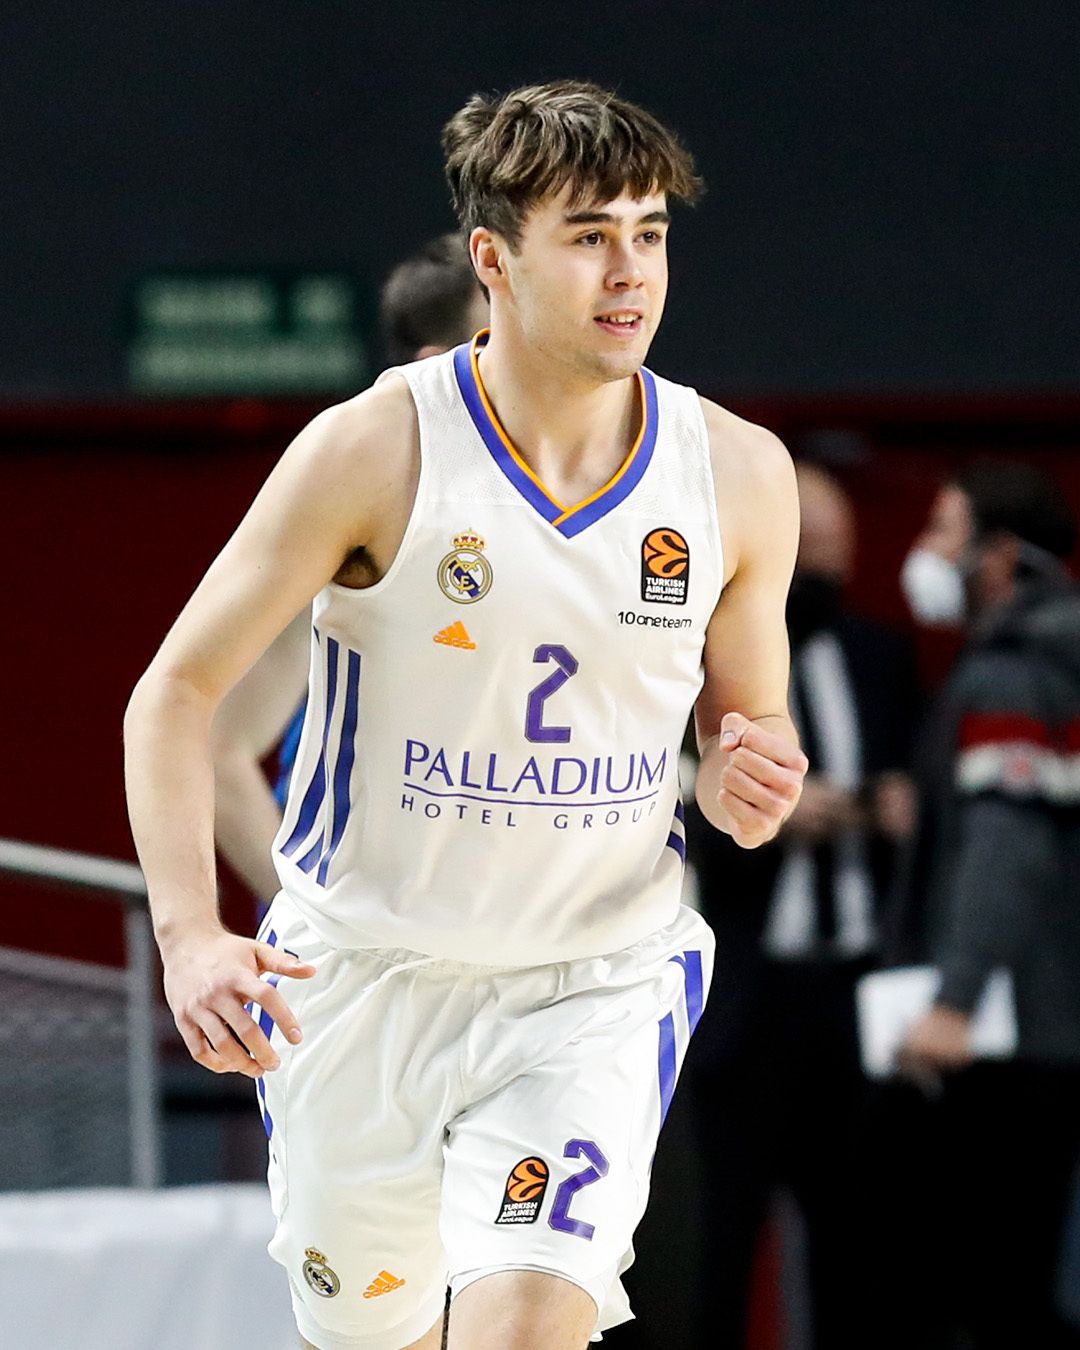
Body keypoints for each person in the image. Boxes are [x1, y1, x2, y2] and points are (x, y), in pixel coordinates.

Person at [124, 80, 808, 1350]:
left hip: (591, 981)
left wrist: (741, 782)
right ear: (492, 258)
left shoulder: (739, 473)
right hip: (362, 978)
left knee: (523, 1333)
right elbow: (174, 694)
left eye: (650, 232)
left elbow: (744, 748)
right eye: (589, 233)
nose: (630, 271)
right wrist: (190, 936)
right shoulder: (374, 448)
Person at [682, 461, 919, 1349]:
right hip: (752, 984)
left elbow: (913, 773)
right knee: (726, 1231)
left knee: (853, 1227)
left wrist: (898, 806)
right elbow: (666, 792)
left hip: (854, 983)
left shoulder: (879, 654)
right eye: (808, 560)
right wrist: (756, 815)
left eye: (837, 561)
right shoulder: (706, 650)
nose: (825, 577)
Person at [211, 233, 488, 902]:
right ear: (440, 363)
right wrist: (315, 932)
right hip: (364, 968)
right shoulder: (352, 521)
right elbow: (213, 756)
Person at [886, 460, 1080, 1349]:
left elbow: (1011, 841)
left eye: (944, 531)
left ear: (998, 557)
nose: (926, 553)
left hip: (1018, 1029)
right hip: (1049, 1019)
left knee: (995, 1289)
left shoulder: (1015, 668)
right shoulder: (1047, 656)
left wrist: (955, 998)